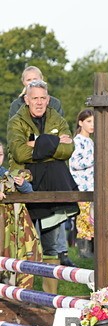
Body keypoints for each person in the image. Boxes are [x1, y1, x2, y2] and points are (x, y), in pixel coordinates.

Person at [6, 80, 78, 266]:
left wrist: (36, 143)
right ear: (26, 100)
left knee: (50, 244)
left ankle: (50, 283)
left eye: (42, 98)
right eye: (35, 98)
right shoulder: (16, 122)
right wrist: (54, 141)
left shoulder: (58, 119)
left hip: (52, 182)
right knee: (23, 242)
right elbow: (19, 153)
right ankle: (19, 280)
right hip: (25, 181)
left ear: (48, 99)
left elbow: (68, 150)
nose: (39, 102)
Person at [0, 141, 42, 289]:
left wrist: (22, 184)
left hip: (12, 227)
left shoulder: (8, 174)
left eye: (0, 154)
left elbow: (29, 191)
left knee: (15, 259)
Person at [69, 109, 96, 255]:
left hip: (92, 186)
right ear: (80, 123)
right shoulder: (77, 141)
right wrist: (96, 158)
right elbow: (75, 163)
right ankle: (83, 250)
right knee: (84, 218)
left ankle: (91, 249)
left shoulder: (90, 141)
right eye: (89, 121)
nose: (92, 125)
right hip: (81, 186)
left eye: (94, 122)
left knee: (92, 217)